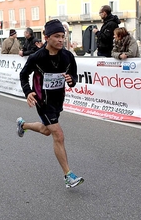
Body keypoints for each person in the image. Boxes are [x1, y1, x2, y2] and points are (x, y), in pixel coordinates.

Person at [17, 19, 84, 189]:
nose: (61, 40)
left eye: (62, 36)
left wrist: (71, 80)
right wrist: (28, 92)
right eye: (56, 36)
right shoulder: (37, 57)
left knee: (47, 131)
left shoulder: (68, 56)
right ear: (47, 37)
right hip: (42, 100)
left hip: (57, 100)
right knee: (58, 134)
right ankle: (68, 175)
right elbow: (24, 75)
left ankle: (23, 125)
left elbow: (74, 77)